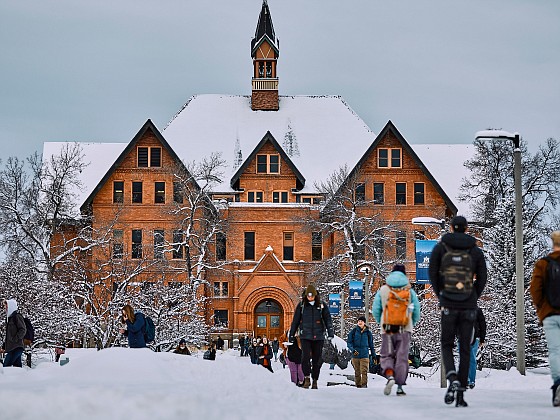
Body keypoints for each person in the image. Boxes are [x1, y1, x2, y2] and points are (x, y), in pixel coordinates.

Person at [429, 215, 487, 407]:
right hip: (468, 305)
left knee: (446, 344)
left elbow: (432, 273)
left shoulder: (441, 247)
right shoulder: (475, 250)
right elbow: (483, 278)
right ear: (467, 228)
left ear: (452, 228)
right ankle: (461, 393)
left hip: (448, 303)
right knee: (464, 348)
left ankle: (451, 376)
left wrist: (442, 295)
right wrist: (472, 296)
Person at [372, 264, 420, 395]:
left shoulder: (383, 290)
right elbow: (416, 311)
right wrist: (410, 324)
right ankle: (400, 386)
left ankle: (389, 375)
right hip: (404, 329)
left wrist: (382, 322)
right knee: (402, 357)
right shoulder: (409, 291)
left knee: (386, 354)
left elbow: (376, 310)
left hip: (387, 329)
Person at [530, 230, 560, 407]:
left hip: (549, 314)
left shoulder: (543, 264)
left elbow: (535, 290)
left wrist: (542, 308)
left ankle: (558, 385)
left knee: (555, 351)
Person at [289, 284, 334, 389]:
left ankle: (315, 380)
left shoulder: (322, 306)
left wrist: (330, 332)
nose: (310, 298)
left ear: (315, 295)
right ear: (305, 296)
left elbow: (328, 319)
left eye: (312, 296)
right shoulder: (302, 306)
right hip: (305, 335)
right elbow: (295, 321)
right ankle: (307, 377)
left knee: (317, 359)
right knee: (305, 357)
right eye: (308, 296)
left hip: (318, 336)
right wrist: (292, 334)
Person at [347, 315, 377, 388]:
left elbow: (371, 345)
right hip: (355, 354)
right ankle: (358, 385)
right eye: (359, 321)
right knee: (357, 372)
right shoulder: (353, 332)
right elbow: (349, 342)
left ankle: (364, 385)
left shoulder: (368, 333)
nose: (360, 322)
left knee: (364, 371)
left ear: (364, 323)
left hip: (364, 354)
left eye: (361, 321)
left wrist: (374, 356)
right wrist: (353, 350)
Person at [1, 299, 26, 368]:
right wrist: (4, 346)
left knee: (6, 366)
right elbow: (8, 336)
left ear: (11, 306)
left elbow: (23, 330)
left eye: (6, 306)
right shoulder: (9, 319)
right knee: (17, 368)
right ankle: (23, 378)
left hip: (16, 347)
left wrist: (15, 339)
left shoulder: (16, 317)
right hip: (12, 347)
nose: (5, 308)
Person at [467, 308, 486, 389]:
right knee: (470, 359)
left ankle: (469, 380)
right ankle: (470, 380)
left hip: (472, 338)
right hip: (470, 338)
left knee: (468, 359)